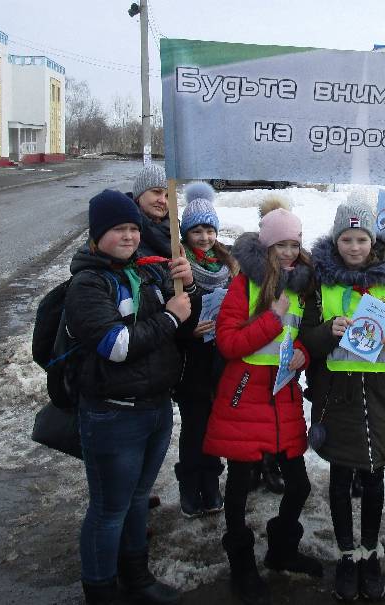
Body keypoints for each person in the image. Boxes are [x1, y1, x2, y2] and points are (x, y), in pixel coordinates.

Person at [65, 189, 197, 605]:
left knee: (139, 499)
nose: (128, 236)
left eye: (132, 229)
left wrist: (188, 287)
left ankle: (136, 578)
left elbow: (183, 318)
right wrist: (170, 315)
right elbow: (116, 346)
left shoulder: (143, 273)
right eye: (118, 229)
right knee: (109, 508)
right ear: (97, 234)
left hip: (155, 406)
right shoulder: (88, 284)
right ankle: (100, 591)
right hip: (113, 415)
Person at [203, 200, 322, 605]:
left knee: (299, 484)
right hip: (246, 396)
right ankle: (241, 563)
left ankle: (281, 548)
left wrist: (302, 350)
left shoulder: (299, 286)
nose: (289, 252)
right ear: (267, 247)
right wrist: (272, 317)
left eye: (295, 244)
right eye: (281, 245)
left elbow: (291, 336)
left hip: (282, 395)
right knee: (238, 489)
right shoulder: (244, 284)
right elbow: (230, 342)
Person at [300, 201, 385, 602]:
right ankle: (346, 554)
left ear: (374, 240)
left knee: (374, 475)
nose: (354, 247)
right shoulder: (320, 283)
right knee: (341, 474)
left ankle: (370, 551)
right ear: (335, 240)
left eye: (362, 239)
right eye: (346, 239)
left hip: (381, 394)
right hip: (338, 394)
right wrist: (328, 331)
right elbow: (308, 340)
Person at [172, 182, 238, 518]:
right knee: (194, 426)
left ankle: (211, 483)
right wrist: (188, 330)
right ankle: (189, 486)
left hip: (221, 358)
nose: (204, 238)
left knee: (215, 425)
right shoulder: (178, 264)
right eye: (196, 231)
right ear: (185, 233)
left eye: (209, 229)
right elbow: (172, 312)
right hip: (192, 360)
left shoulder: (226, 262)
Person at [130, 163, 173, 258]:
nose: (163, 201)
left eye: (168, 196)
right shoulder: (119, 229)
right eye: (156, 192)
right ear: (138, 195)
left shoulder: (172, 230)